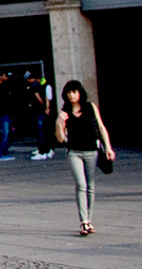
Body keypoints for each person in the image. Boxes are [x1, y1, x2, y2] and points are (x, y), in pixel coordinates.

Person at [55, 80, 114, 236]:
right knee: (81, 184)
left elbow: (101, 127)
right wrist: (59, 123)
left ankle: (89, 219)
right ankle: (83, 221)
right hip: (74, 152)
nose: (72, 95)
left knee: (90, 186)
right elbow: (60, 139)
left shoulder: (90, 107)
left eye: (74, 92)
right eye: (69, 93)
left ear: (80, 93)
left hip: (91, 151)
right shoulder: (65, 111)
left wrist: (108, 147)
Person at [28, 73, 54, 160]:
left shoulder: (37, 86)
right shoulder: (44, 85)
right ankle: (47, 150)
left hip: (40, 111)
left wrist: (45, 107)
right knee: (45, 131)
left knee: (41, 131)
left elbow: (42, 98)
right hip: (43, 111)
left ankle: (43, 151)